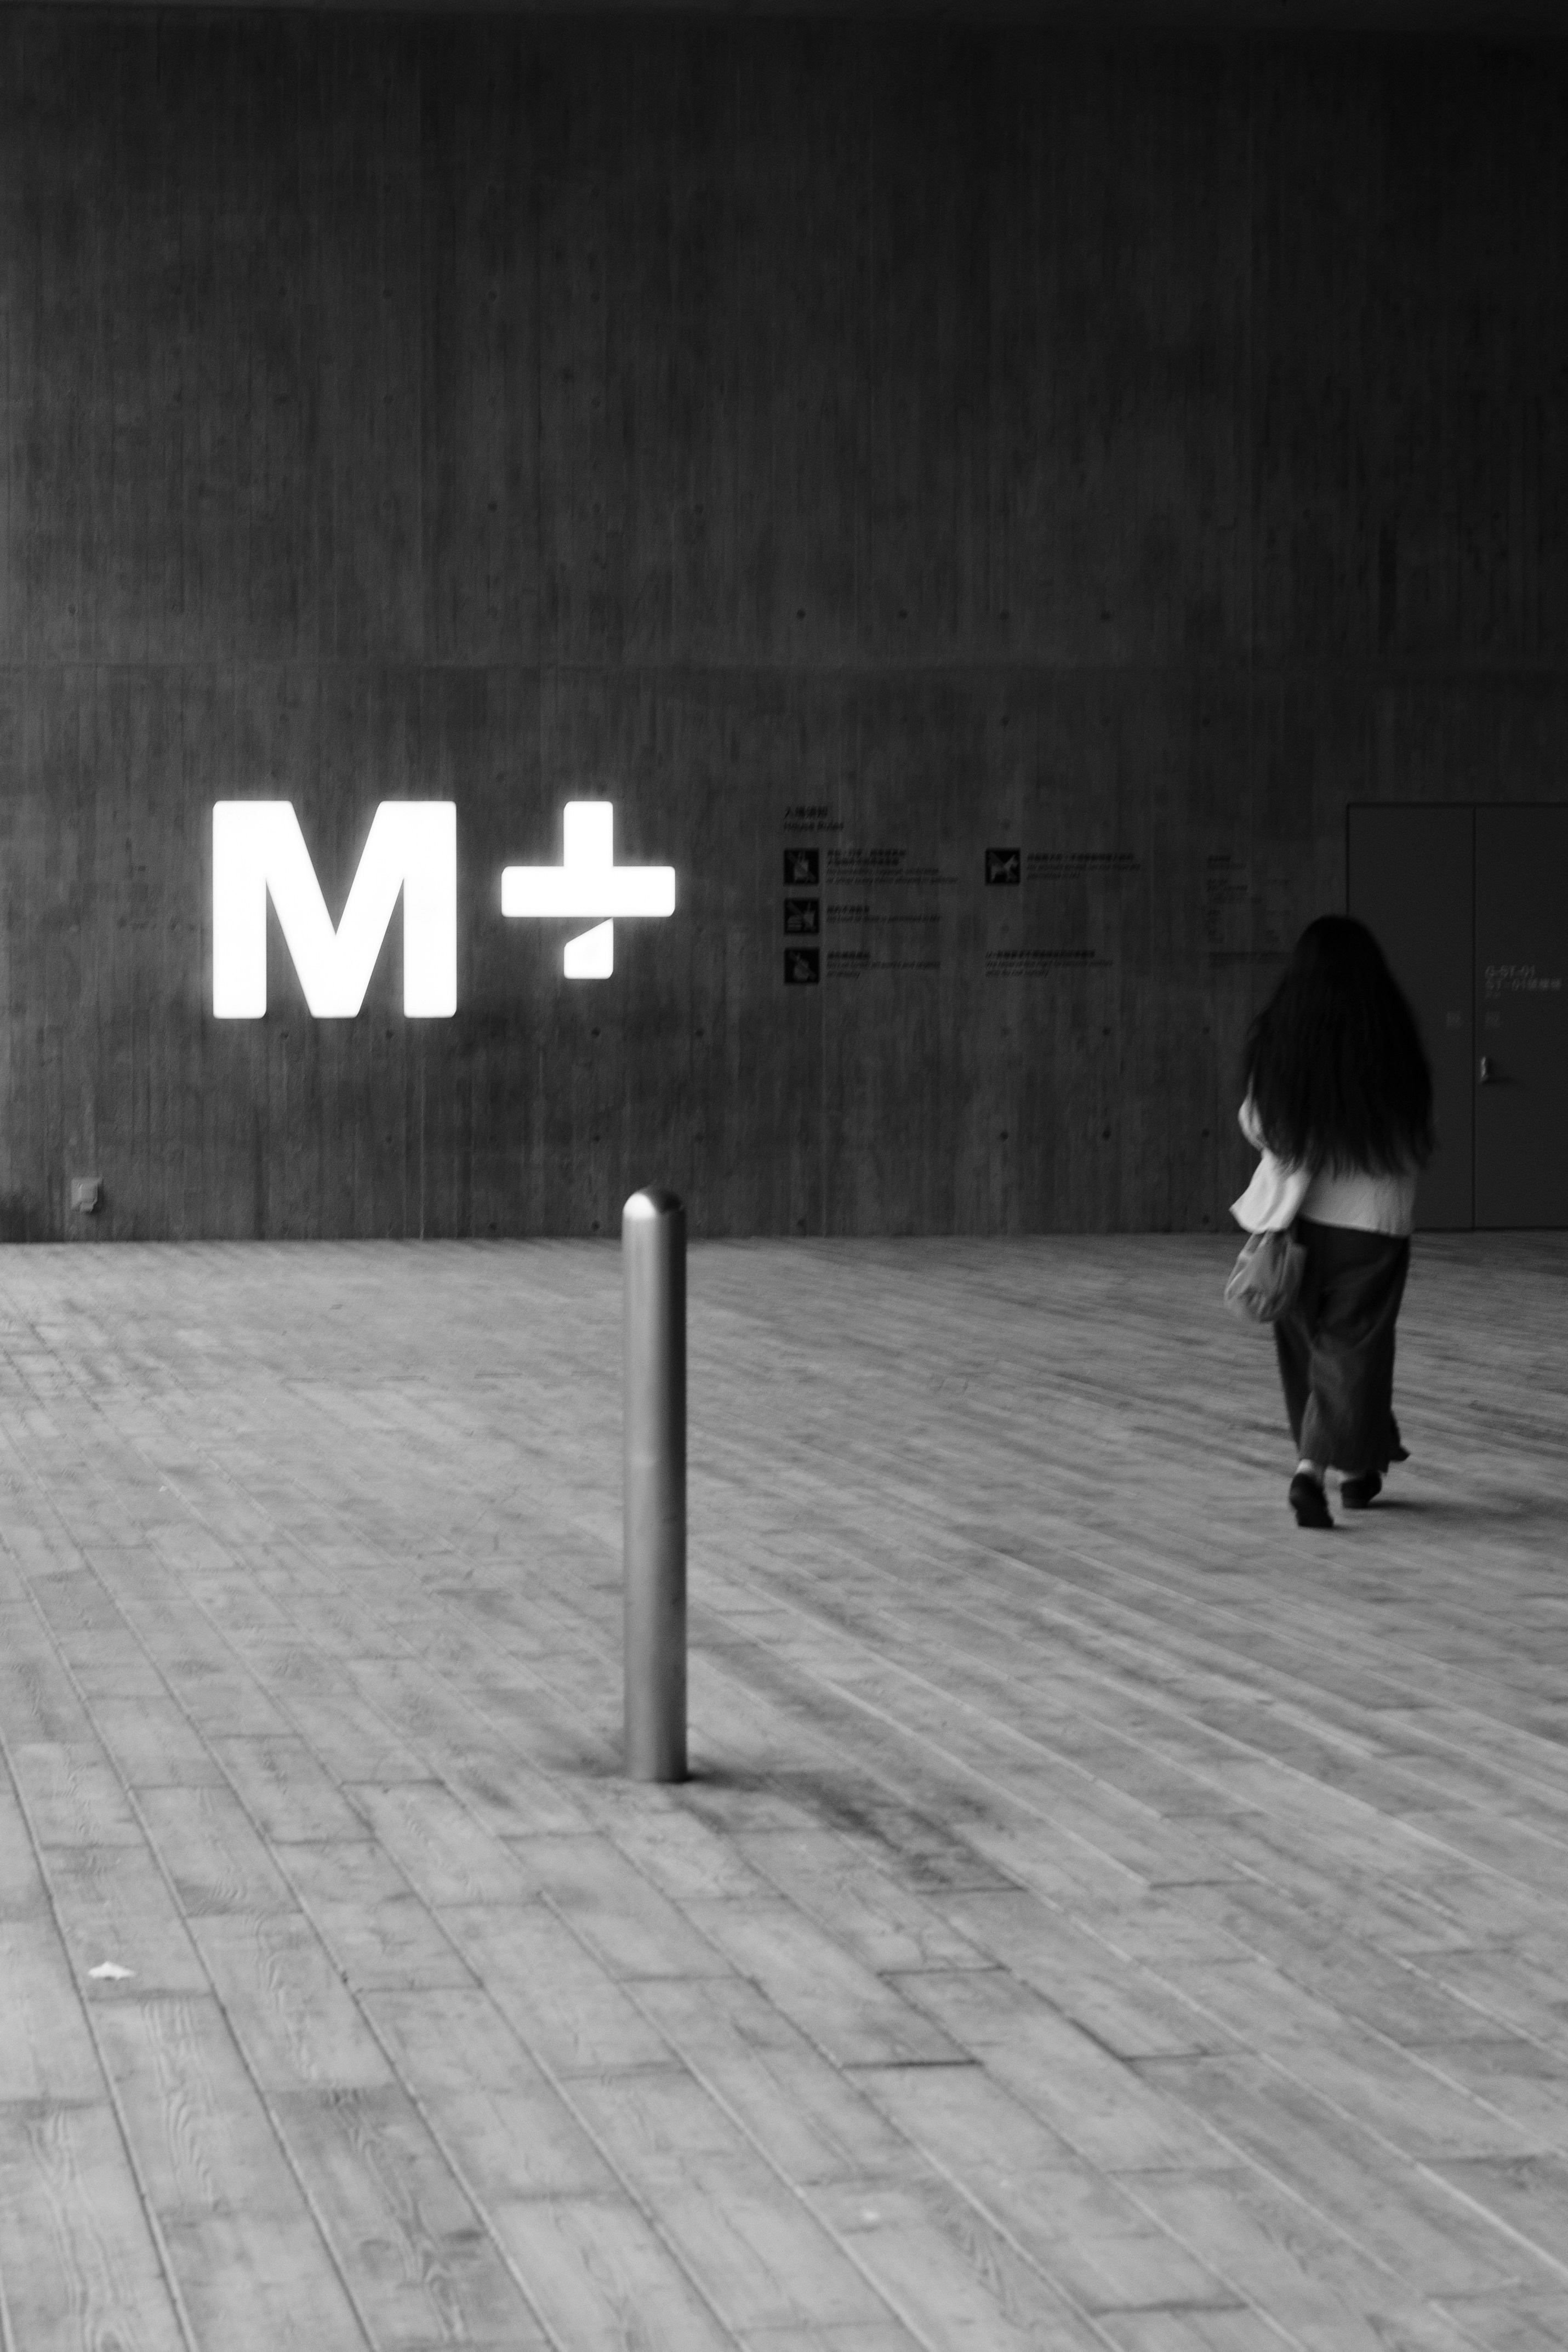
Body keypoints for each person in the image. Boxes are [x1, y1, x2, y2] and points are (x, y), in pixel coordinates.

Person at [1231, 915, 1434, 1530]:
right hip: (1372, 1222)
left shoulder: (1281, 1037)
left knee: (1306, 1350)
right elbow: (1412, 1127)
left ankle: (1355, 1469)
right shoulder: (1391, 1036)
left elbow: (1259, 1124)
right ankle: (1312, 1471)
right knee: (1353, 1350)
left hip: (1296, 1221)